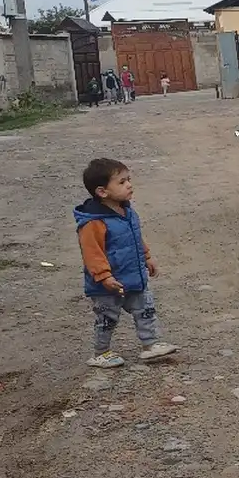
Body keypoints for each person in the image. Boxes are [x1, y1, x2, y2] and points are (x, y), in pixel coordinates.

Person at [74, 157, 176, 368]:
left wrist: (146, 257)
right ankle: (100, 353)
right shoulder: (93, 222)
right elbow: (92, 253)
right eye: (121, 182)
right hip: (107, 284)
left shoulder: (127, 212)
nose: (129, 184)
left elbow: (135, 237)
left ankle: (151, 344)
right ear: (102, 192)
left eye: (128, 179)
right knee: (107, 318)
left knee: (145, 309)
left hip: (133, 276)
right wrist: (104, 277)